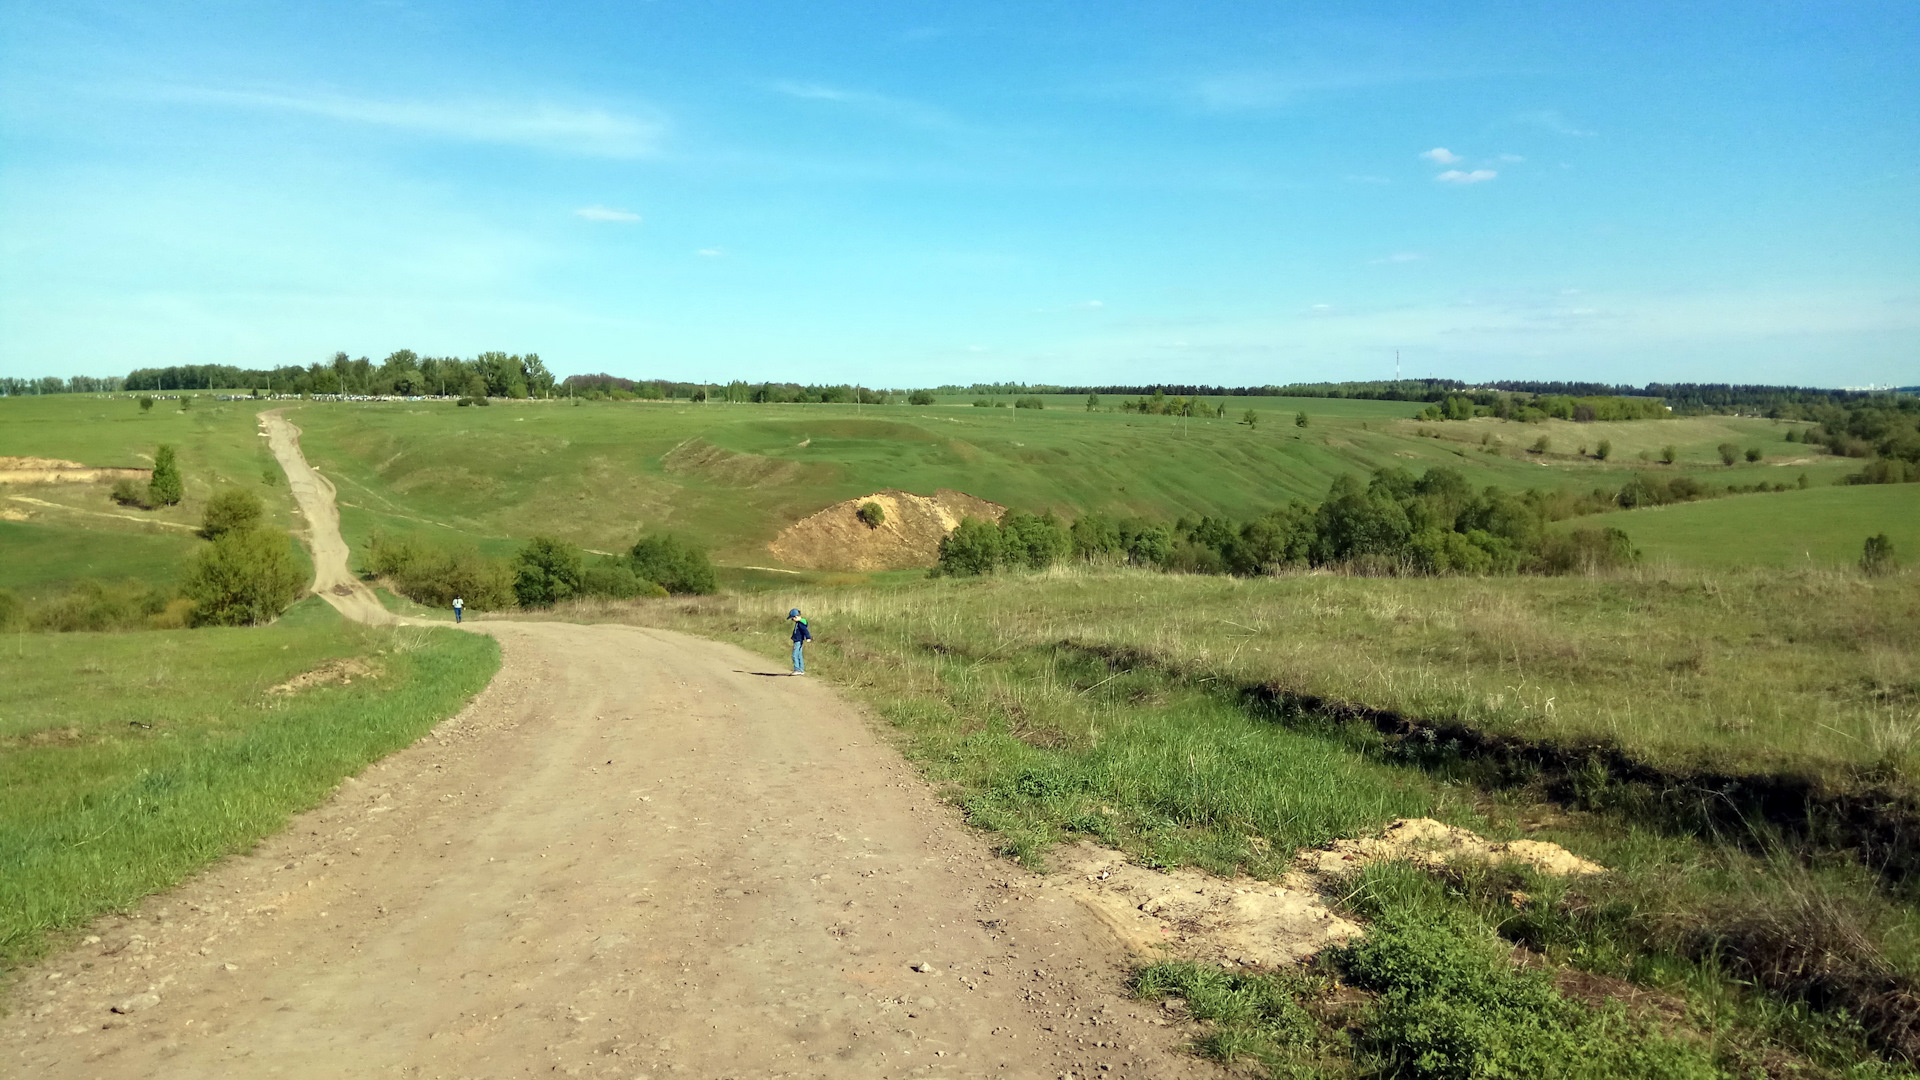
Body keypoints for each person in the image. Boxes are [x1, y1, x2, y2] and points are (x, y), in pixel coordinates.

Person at [787, 608, 811, 675]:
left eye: (792, 619)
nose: (792, 620)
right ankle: (801, 670)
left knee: (794, 655)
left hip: (798, 641)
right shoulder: (799, 623)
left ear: (796, 617)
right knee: (799, 655)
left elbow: (805, 631)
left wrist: (808, 637)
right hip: (799, 640)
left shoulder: (800, 624)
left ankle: (797, 669)